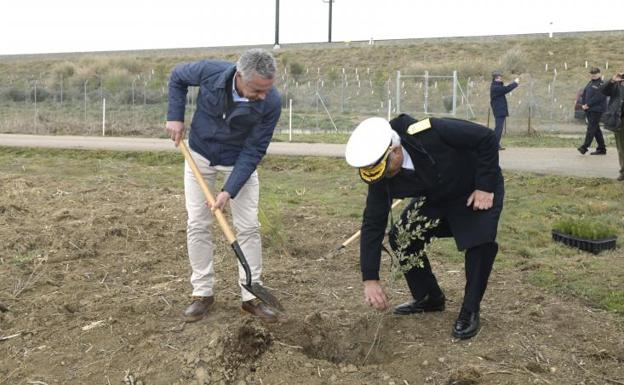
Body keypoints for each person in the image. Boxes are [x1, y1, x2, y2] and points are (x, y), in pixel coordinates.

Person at [345, 114, 504, 340]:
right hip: (436, 197)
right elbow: (373, 223)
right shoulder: (380, 177)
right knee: (402, 235)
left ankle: (470, 310)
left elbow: (486, 138)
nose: (386, 178)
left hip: (473, 187)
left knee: (480, 242)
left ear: (395, 150)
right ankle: (429, 297)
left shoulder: (431, 131)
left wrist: (485, 186)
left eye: (387, 171)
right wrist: (370, 278)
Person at [166, 49, 282, 323]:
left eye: (268, 89)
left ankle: (250, 296)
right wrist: (175, 116)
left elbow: (254, 150)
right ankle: (202, 293)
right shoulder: (211, 71)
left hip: (238, 160)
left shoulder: (272, 102)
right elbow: (177, 77)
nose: (263, 96)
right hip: (200, 155)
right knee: (197, 223)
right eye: (257, 90)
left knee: (249, 227)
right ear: (240, 76)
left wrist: (228, 191)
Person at [577, 67, 608, 155]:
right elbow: (585, 94)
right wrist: (583, 104)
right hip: (589, 109)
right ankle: (602, 149)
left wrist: (588, 104)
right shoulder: (590, 82)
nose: (593, 76)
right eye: (592, 74)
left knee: (591, 128)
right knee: (595, 129)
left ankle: (584, 147)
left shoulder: (602, 84)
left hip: (597, 109)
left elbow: (599, 96)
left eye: (595, 74)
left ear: (599, 74)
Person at [600, 71, 624, 179]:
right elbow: (603, 90)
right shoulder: (615, 86)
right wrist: (612, 80)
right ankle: (623, 171)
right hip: (619, 121)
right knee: (621, 147)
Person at [490, 70, 519, 150]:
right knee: (498, 128)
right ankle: (494, 145)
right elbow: (506, 89)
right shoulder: (495, 87)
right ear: (496, 78)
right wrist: (515, 83)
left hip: (500, 110)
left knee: (499, 128)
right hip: (499, 111)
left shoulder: (497, 86)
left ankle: (496, 144)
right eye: (500, 78)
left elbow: (504, 88)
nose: (501, 79)